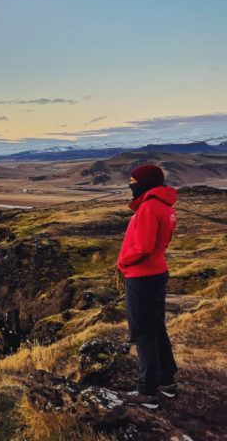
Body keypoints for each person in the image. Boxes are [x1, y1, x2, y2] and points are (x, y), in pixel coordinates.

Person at [116, 164, 178, 409]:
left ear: (145, 182)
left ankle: (147, 392)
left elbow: (143, 247)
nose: (131, 185)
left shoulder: (149, 207)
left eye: (133, 181)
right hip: (156, 273)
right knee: (156, 327)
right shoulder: (162, 205)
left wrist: (122, 261)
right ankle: (166, 382)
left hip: (141, 276)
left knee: (142, 333)